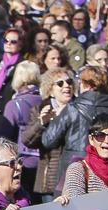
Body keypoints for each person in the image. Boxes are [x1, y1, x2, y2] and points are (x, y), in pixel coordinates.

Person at [41, 65, 108, 168]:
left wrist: (49, 121)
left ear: (84, 84)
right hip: (107, 169)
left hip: (74, 168)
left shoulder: (72, 108)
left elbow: (48, 140)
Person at [23, 66, 74, 199]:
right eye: (60, 83)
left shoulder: (80, 109)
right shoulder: (40, 109)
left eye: (69, 82)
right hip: (50, 181)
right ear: (50, 91)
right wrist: (41, 123)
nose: (67, 86)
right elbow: (27, 141)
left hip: (74, 178)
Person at [0, 61, 44, 186]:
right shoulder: (47, 101)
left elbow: (4, 138)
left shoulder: (14, 105)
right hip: (44, 163)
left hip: (22, 164)